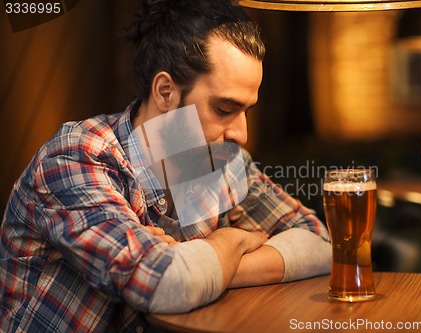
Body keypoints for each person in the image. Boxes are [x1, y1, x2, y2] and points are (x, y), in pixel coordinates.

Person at [0, 0, 331, 332]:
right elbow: (166, 284)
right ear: (165, 91)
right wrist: (231, 241)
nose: (241, 134)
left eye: (247, 110)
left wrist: (204, 265)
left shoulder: (221, 161)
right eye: (224, 108)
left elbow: (321, 243)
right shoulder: (76, 156)